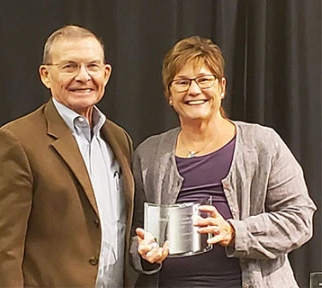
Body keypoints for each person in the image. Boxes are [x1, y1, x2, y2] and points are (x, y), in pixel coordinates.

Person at [130, 36, 317, 288]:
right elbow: (135, 231)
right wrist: (144, 255)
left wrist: (234, 232)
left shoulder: (263, 144)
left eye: (204, 80)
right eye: (182, 82)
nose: (194, 90)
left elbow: (299, 219)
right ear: (169, 95)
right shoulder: (149, 154)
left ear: (222, 87)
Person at [0, 25, 136, 287]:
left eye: (92, 66)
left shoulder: (119, 139)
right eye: (70, 66)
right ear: (46, 75)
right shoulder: (15, 142)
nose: (83, 76)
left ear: (106, 74)